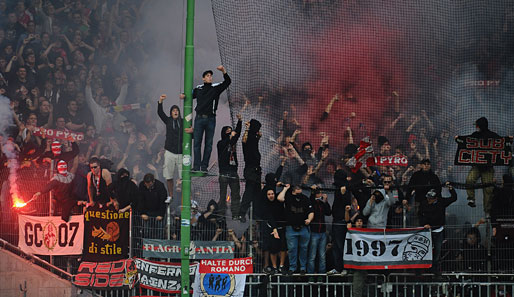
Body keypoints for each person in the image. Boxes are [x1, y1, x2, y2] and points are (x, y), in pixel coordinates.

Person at [190, 65, 231, 172]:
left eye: (211, 76)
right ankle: (196, 166)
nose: (210, 77)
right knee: (197, 143)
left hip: (210, 119)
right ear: (203, 78)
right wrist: (183, 95)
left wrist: (223, 71)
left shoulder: (215, 88)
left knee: (208, 144)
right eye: (207, 76)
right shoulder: (198, 89)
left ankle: (204, 167)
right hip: (199, 118)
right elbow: (189, 95)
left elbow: (227, 82)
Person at [460, 117, 500, 214]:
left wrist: (508, 140)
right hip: (477, 166)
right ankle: (471, 199)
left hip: (488, 168)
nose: (476, 127)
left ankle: (487, 211)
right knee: (469, 180)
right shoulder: (475, 135)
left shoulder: (492, 136)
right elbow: (467, 140)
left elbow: (501, 142)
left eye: (477, 125)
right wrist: (459, 139)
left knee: (488, 190)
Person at [158, 94, 192, 199]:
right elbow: (160, 113)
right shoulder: (168, 121)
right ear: (171, 113)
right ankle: (171, 195)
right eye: (173, 110)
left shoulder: (183, 122)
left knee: (184, 177)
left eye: (177, 110)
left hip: (181, 153)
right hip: (169, 152)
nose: (175, 112)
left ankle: (186, 196)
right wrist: (160, 101)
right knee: (168, 175)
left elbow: (191, 135)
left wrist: (192, 131)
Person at [419, 182, 457, 277]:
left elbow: (454, 198)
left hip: (438, 230)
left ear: (435, 198)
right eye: (428, 198)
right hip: (427, 231)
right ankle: (425, 267)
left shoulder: (441, 202)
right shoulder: (424, 204)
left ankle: (434, 267)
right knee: (426, 249)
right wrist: (424, 224)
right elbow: (420, 214)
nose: (428, 200)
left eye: (430, 199)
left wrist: (451, 189)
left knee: (438, 250)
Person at [277, 184, 314, 274]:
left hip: (304, 228)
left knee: (304, 248)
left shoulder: (305, 198)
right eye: (297, 188)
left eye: (300, 188)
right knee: (292, 248)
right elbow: (279, 198)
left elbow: (311, 211)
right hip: (291, 228)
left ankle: (302, 268)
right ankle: (292, 267)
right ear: (294, 190)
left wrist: (309, 219)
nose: (299, 190)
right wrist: (285, 189)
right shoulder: (288, 197)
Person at [217, 114, 242, 219]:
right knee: (223, 195)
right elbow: (226, 142)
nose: (229, 132)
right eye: (227, 130)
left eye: (230, 130)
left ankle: (235, 214)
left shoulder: (232, 142)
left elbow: (238, 134)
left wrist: (240, 121)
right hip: (224, 173)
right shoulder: (220, 143)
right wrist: (230, 136)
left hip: (233, 172)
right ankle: (221, 214)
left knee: (236, 195)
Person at [238, 119, 262, 222]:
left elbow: (256, 138)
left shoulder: (254, 137)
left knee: (257, 193)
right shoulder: (248, 137)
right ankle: (242, 213)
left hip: (256, 170)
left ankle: (255, 214)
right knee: (249, 192)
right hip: (250, 169)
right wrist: (247, 128)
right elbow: (244, 140)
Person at [307, 186, 331, 280]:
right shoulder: (312, 202)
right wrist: (312, 192)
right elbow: (311, 200)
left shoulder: (322, 203)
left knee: (322, 255)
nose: (320, 194)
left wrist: (325, 201)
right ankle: (311, 275)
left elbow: (329, 212)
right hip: (314, 232)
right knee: (312, 255)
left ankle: (321, 275)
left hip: (323, 232)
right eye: (319, 193)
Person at [138, 173, 168, 239]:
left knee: (159, 232)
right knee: (147, 232)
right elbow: (140, 200)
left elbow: (163, 201)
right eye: (146, 184)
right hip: (147, 212)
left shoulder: (160, 186)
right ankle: (147, 247)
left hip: (158, 212)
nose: (148, 186)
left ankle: (158, 247)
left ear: (153, 181)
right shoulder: (141, 185)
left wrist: (161, 214)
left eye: (149, 184)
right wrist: (142, 213)